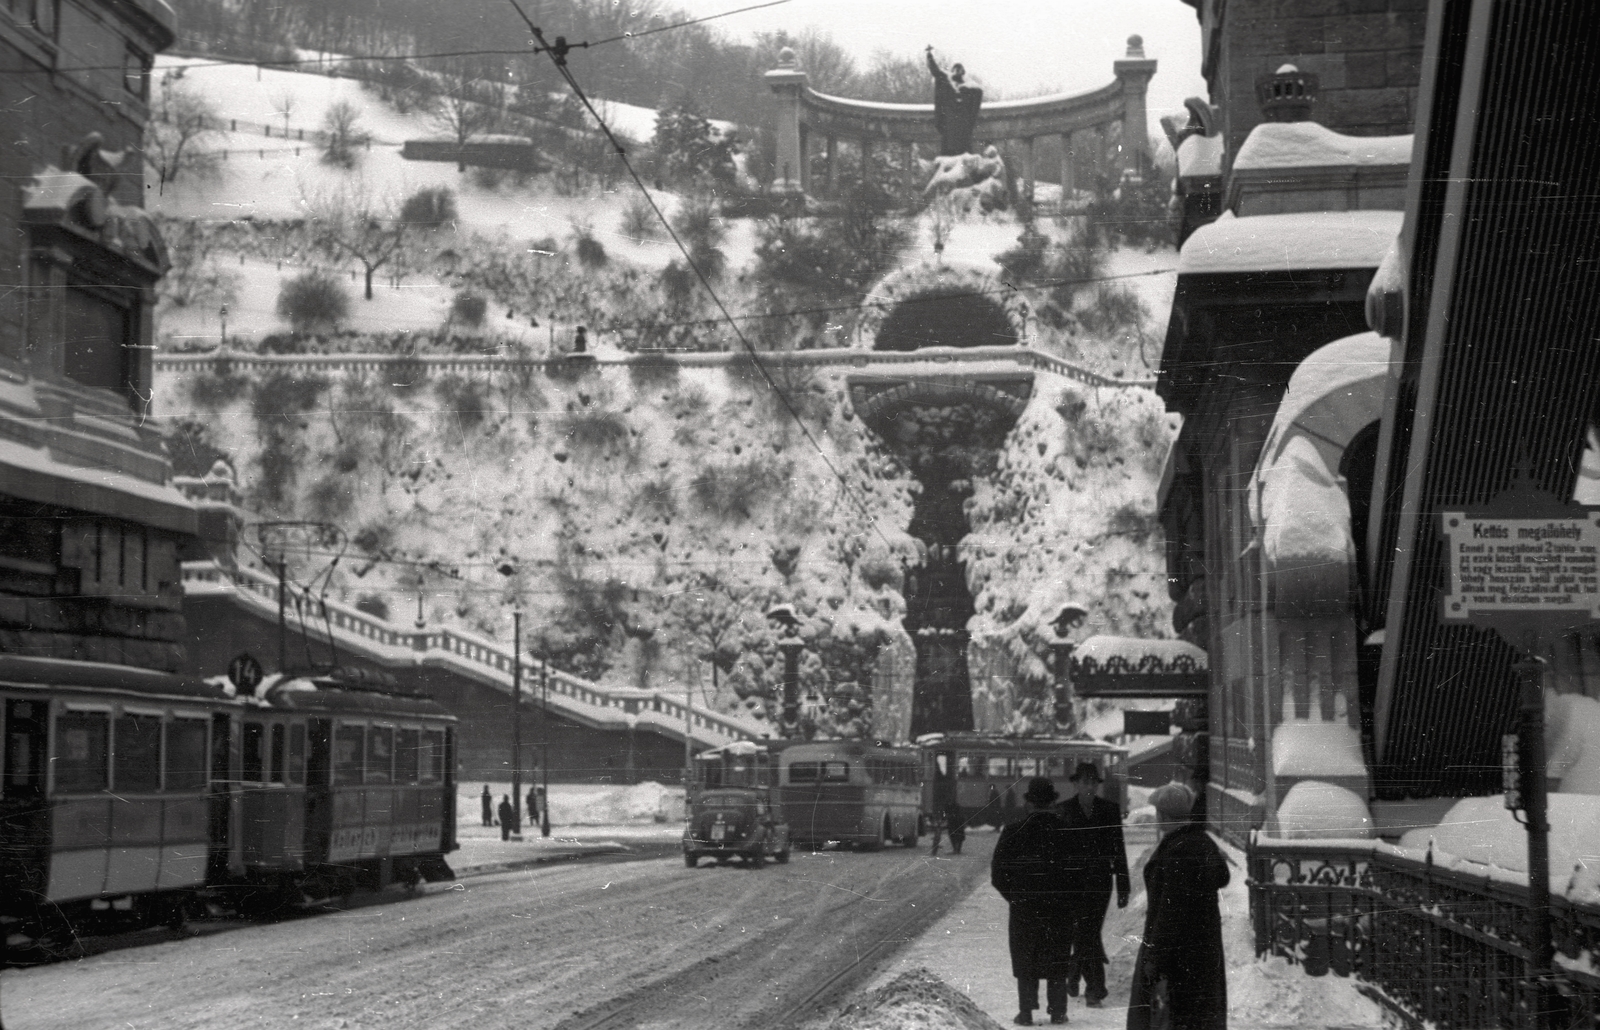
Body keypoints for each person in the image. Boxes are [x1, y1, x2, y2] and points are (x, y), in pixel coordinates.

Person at [1126, 783, 1230, 1030]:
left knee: (1169, 1018)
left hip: (1176, 959)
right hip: (1203, 955)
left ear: (1162, 815)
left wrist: (1156, 956)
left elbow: (1169, 912)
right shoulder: (1202, 842)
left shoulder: (1175, 851)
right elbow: (1222, 876)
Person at [992, 777, 1074, 1026]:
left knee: (1025, 958)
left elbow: (998, 875)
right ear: (1052, 802)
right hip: (1059, 908)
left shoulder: (1013, 831)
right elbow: (1081, 873)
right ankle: (1058, 1011)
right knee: (1058, 957)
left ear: (1029, 803)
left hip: (1024, 908)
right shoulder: (1068, 832)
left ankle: (1026, 1012)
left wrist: (1016, 897)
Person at [1059, 762, 1130, 1008]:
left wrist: (1124, 885)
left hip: (1100, 881)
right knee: (1085, 932)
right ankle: (1093, 986)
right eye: (1085, 782)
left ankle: (1078, 973)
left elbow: (1118, 850)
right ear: (1075, 784)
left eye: (1093, 782)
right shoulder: (1063, 811)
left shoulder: (1109, 810)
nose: (1089, 787)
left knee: (1087, 931)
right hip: (1071, 883)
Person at [925, 46, 984, 156]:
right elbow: (936, 72)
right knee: (949, 145)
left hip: (963, 122)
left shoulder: (970, 88)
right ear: (952, 71)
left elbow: (978, 95)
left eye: (959, 69)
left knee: (963, 146)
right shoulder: (947, 82)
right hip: (950, 121)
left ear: (963, 72)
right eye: (955, 69)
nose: (957, 71)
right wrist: (930, 57)